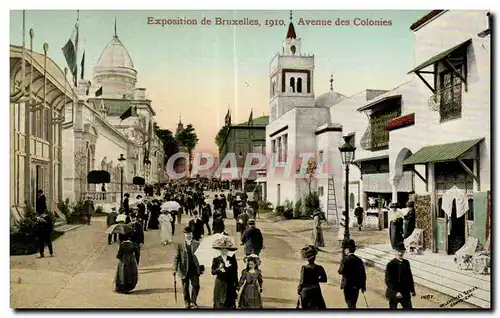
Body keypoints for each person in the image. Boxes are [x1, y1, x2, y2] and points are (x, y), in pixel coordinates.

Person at [173, 227, 202, 309]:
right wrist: (174, 269)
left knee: (196, 285)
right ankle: (187, 302)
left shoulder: (196, 243)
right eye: (187, 234)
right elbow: (176, 257)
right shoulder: (180, 244)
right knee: (185, 287)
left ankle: (193, 301)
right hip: (184, 269)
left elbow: (201, 256)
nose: (188, 236)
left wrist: (201, 268)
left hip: (194, 269)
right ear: (184, 235)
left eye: (190, 234)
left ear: (192, 234)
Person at [385, 243, 416, 309]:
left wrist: (412, 289)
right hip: (394, 292)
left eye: (402, 251)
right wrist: (395, 292)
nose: (400, 253)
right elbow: (388, 280)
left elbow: (409, 277)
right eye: (398, 251)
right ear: (395, 252)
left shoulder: (406, 263)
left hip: (405, 292)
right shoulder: (391, 264)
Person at [211, 235, 239, 308]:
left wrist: (236, 284)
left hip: (229, 284)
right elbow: (213, 272)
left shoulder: (232, 258)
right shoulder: (216, 258)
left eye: (226, 249)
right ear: (219, 249)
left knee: (229, 303)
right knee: (219, 304)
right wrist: (218, 269)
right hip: (220, 284)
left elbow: (235, 271)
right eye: (222, 249)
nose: (224, 251)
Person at [338, 239, 366, 309]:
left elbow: (340, 271)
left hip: (347, 285)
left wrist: (343, 260)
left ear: (347, 249)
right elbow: (363, 274)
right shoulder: (359, 260)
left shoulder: (345, 260)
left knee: (349, 303)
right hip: (356, 286)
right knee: (353, 303)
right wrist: (363, 286)